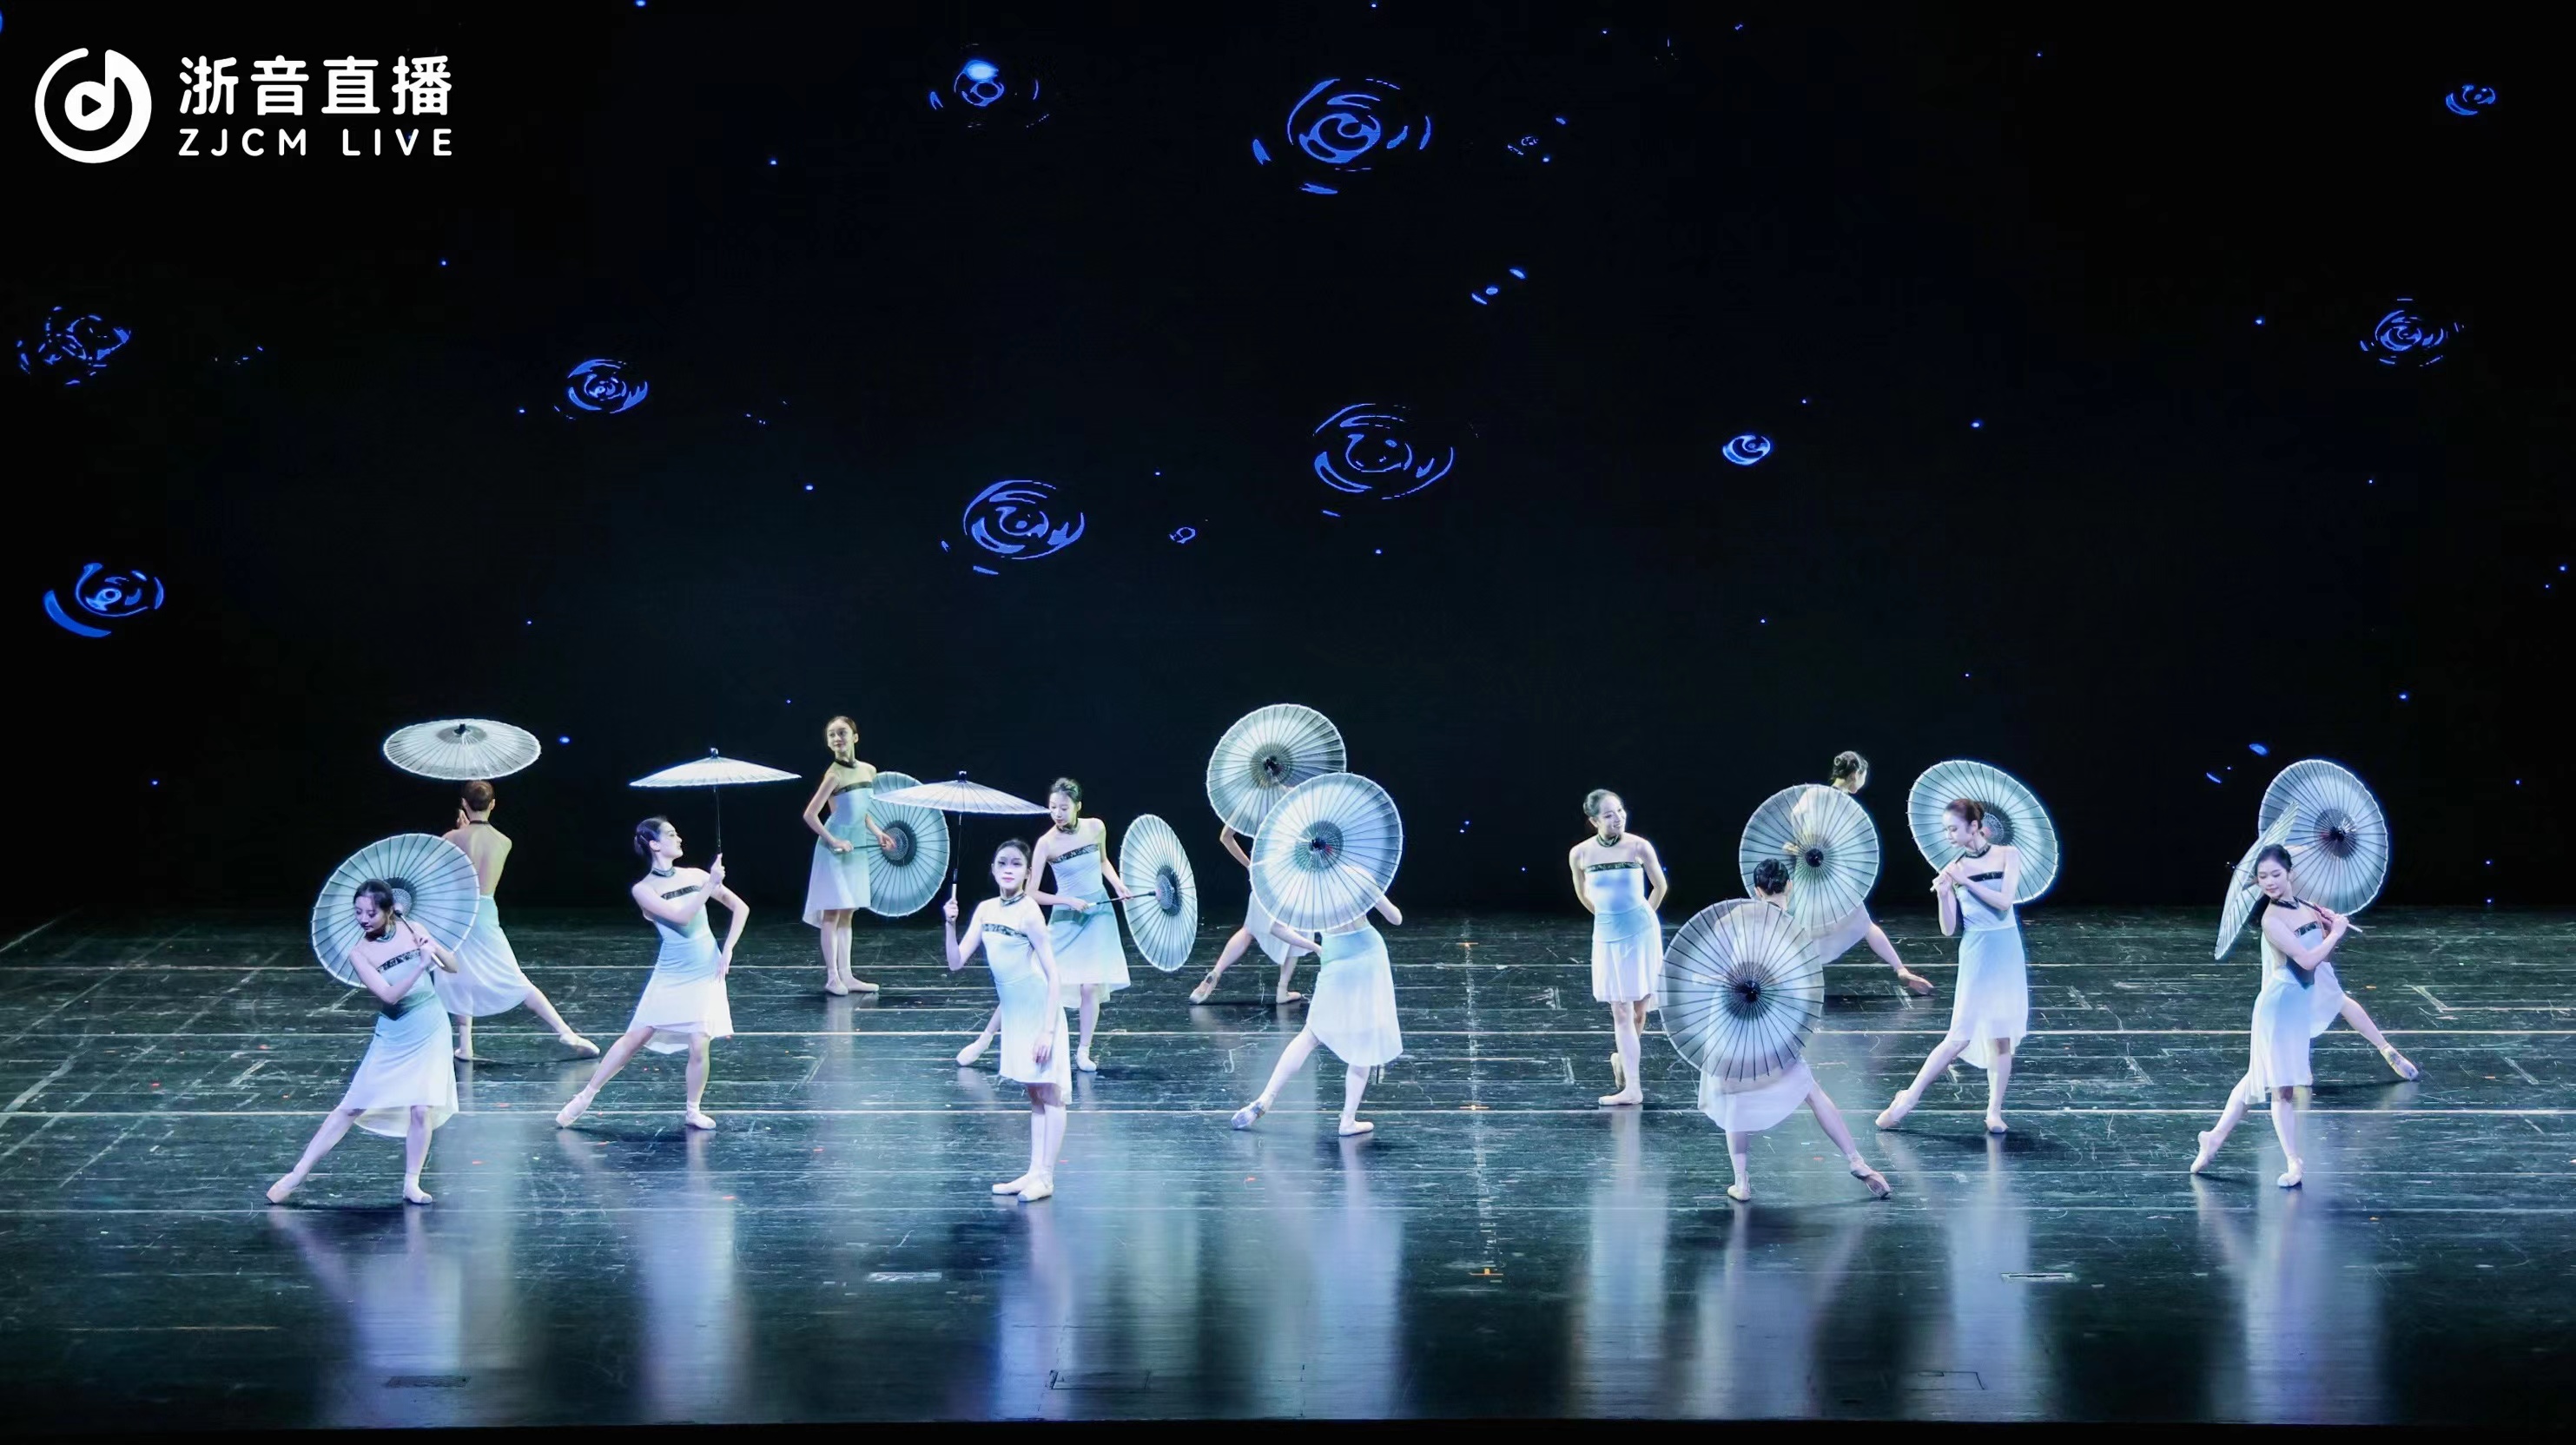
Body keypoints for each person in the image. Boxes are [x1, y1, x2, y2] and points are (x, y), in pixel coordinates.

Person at [1699, 860, 1893, 1202]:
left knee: (1733, 1100)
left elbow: (1721, 955)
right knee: (1811, 1090)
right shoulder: (1795, 930)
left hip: (1733, 1017)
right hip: (1769, 1020)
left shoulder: (1739, 915)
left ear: (1757, 890)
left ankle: (1742, 1182)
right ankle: (1856, 1160)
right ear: (1789, 886)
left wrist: (1720, 976)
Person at [266, 881, 464, 1204]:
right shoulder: (359, 953)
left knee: (421, 1108)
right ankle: (297, 1174)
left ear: (388, 910)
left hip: (430, 1025)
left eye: (370, 913)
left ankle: (411, 1183)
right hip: (394, 1032)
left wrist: (434, 948)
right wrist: (420, 965)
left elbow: (453, 967)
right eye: (358, 912)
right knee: (352, 1105)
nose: (363, 919)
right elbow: (389, 995)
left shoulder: (414, 928)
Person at [555, 817, 748, 1132]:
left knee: (700, 1041)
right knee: (636, 1037)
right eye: (671, 834)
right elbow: (682, 917)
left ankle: (693, 1110)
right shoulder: (643, 890)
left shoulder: (696, 875)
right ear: (655, 844)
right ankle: (586, 1096)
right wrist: (710, 885)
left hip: (705, 968)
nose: (679, 838)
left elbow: (741, 907)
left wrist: (728, 948)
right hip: (672, 971)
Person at [2190, 844, 2348, 1187]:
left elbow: (2321, 956)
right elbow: (2307, 961)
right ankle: (2294, 1162)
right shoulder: (2271, 920)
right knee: (2282, 1089)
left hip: (2297, 1007)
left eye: (2276, 874)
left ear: (2290, 873)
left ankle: (2214, 1138)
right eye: (2263, 877)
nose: (2270, 882)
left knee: (2257, 1077)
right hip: (2278, 1008)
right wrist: (2336, 933)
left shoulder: (2306, 907)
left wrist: (2326, 927)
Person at [956, 778, 1132, 1072]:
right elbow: (1033, 892)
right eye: (1052, 808)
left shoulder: (1096, 827)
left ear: (1078, 806)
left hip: (1098, 913)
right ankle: (984, 1039)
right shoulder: (1046, 843)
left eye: (1063, 808)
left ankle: (1084, 1051)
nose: (1057, 813)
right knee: (1034, 978)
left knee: (1090, 986)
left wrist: (1118, 885)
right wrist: (1067, 900)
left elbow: (1103, 862)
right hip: (1067, 919)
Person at [1876, 797, 2028, 1135]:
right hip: (1977, 951)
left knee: (2001, 1036)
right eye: (1946, 830)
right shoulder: (1953, 868)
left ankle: (1994, 1111)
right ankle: (1908, 1098)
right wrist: (1944, 893)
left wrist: (1967, 881)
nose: (1948, 836)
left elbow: (2004, 903)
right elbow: (1948, 928)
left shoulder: (2008, 855)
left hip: (2006, 949)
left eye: (1953, 829)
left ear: (1974, 827)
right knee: (1959, 1036)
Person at [942, 840, 1071, 1201]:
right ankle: (1033, 1172)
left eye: (1016, 864)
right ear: (993, 869)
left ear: (1028, 873)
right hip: (1014, 1014)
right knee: (1034, 1093)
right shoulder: (985, 910)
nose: (1009, 869)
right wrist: (950, 925)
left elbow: (1054, 975)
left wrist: (1047, 1030)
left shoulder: (1030, 912)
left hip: (1039, 1011)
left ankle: (1046, 1177)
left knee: (1051, 1094)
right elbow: (955, 962)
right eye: (1002, 863)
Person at [437, 779, 599, 1060]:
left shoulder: (451, 838)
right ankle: (563, 1031)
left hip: (458, 914)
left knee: (458, 974)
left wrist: (458, 832)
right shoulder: (504, 841)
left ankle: (466, 1043)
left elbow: (445, 873)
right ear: (493, 804)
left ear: (464, 803)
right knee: (511, 975)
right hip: (485, 911)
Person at [1232, 894, 1405, 1137]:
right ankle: (1347, 1120)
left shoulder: (1308, 888)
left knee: (1310, 1035)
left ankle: (1265, 1097)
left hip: (1334, 953)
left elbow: (1275, 927)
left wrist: (1313, 946)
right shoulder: (1358, 879)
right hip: (1369, 954)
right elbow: (1395, 918)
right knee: (1364, 1042)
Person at [1569, 788, 1668, 1106]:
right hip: (1608, 935)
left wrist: (1642, 920)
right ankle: (1633, 1088)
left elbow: (1660, 886)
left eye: (1620, 811)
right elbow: (1583, 893)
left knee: (1639, 1011)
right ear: (1594, 820)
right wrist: (1607, 917)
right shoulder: (1580, 854)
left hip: (1642, 933)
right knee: (1621, 1010)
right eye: (1609, 815)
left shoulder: (1638, 846)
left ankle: (1622, 1060)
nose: (1618, 819)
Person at [1809, 752, 1937, 995]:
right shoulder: (1844, 805)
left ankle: (1900, 969)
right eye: (1863, 776)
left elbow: (1797, 817)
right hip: (1829, 874)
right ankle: (1900, 969)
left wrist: (1803, 844)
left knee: (1813, 925)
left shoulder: (1814, 795)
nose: (1863, 782)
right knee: (1861, 923)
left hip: (1814, 870)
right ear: (1855, 775)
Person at [799, 716, 897, 996]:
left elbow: (862, 811)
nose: (836, 738)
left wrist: (878, 833)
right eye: (831, 735)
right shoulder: (834, 775)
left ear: (855, 737)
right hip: (833, 848)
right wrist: (834, 840)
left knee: (848, 911)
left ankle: (848, 975)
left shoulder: (869, 770)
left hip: (856, 846)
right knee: (832, 911)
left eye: (841, 732)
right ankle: (832, 977)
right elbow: (810, 815)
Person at [1186, 822, 1314, 1006]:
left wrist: (1250, 866)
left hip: (1263, 876)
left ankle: (1216, 972)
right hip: (1289, 877)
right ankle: (1282, 989)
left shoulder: (1251, 808)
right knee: (1297, 930)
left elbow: (1225, 837)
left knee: (1249, 930)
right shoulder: (1293, 810)